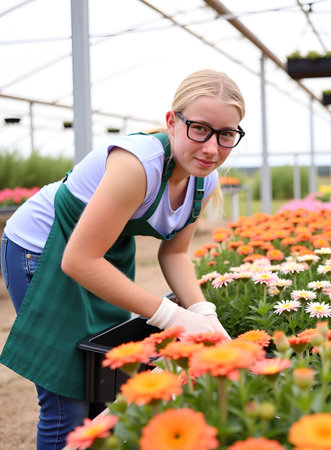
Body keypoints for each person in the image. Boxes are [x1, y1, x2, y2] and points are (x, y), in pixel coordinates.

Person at [0, 69, 245, 449]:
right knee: (67, 398)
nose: (211, 148)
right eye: (199, 128)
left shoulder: (203, 177)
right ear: (172, 122)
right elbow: (78, 261)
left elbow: (175, 252)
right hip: (42, 250)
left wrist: (202, 312)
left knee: (103, 381)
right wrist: (172, 317)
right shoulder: (138, 164)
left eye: (226, 134)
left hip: (99, 256)